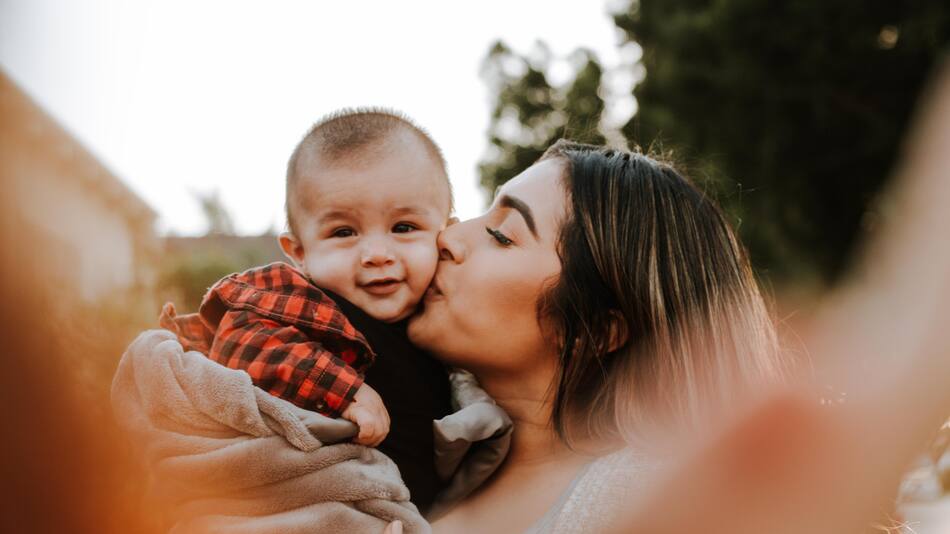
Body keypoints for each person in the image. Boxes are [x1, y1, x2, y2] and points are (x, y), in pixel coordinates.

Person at [401, 139, 788, 533]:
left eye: (502, 235)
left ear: (599, 330)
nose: (447, 237)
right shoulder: (403, 448)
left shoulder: (659, 506)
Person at [159, 108, 455, 514]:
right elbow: (243, 341)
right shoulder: (304, 301)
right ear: (299, 253)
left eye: (404, 227)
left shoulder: (449, 317)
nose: (376, 255)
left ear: (447, 234)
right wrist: (343, 390)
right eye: (343, 232)